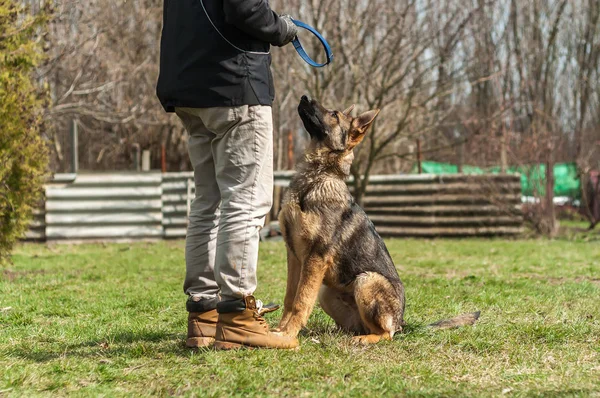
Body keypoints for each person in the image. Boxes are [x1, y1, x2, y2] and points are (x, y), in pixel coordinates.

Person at [156, 0, 299, 350]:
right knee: (246, 200)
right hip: (235, 84)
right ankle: (238, 315)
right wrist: (283, 28)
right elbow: (245, 8)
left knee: (208, 203)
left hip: (189, 86)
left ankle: (203, 314)